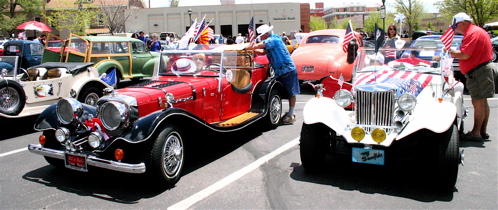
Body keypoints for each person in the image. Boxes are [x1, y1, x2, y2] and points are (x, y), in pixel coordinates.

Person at [449, 12, 497, 141]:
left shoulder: (472, 33)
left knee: (478, 102)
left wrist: (450, 52)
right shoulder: (476, 31)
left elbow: (465, 55)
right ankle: (482, 131)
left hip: (479, 71)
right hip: (481, 69)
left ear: (463, 23)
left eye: (456, 26)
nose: (456, 29)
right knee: (482, 101)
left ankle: (476, 133)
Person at [245, 24, 300, 124]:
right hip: (280, 70)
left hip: (287, 69)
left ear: (266, 34)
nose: (260, 38)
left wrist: (248, 46)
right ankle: (290, 113)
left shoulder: (273, 39)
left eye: (261, 35)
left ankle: (291, 113)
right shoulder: (271, 41)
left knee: (291, 92)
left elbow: (259, 46)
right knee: (287, 92)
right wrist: (250, 49)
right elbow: (262, 52)